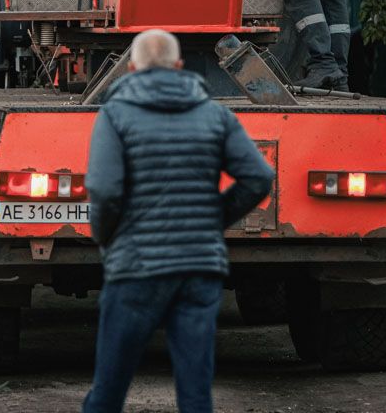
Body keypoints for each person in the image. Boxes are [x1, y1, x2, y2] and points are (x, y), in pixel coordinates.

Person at [82, 30, 275, 413]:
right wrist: (213, 218)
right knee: (195, 395)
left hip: (136, 267)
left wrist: (107, 240)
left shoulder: (115, 115)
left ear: (132, 69)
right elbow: (259, 177)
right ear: (179, 66)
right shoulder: (215, 114)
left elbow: (104, 191)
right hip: (198, 269)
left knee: (108, 391)